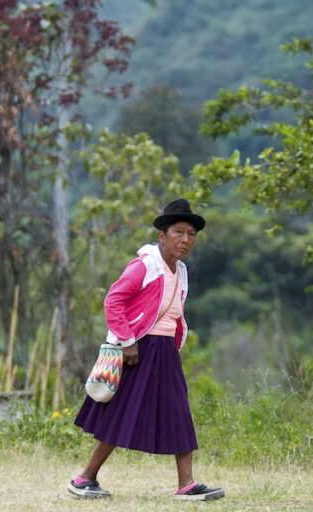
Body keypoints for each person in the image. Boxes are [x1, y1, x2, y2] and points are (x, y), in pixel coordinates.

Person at [67, 198, 225, 501]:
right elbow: (114, 301)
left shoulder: (181, 271)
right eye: (179, 232)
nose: (186, 239)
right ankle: (84, 478)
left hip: (165, 351)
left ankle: (187, 485)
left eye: (191, 234)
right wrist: (127, 342)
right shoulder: (145, 265)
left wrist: (174, 348)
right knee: (121, 413)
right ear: (162, 236)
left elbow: (175, 314)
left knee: (179, 411)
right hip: (138, 349)